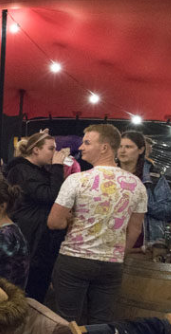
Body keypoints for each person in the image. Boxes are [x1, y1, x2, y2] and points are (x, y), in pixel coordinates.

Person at [46, 124, 146, 323]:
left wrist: (70, 220)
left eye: (87, 142)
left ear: (105, 148)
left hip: (75, 259)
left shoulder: (77, 180)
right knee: (101, 322)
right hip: (112, 264)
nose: (81, 147)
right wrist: (119, 252)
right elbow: (135, 228)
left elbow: (54, 222)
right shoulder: (137, 185)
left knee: (67, 322)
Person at [7, 130, 70, 300]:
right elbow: (52, 195)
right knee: (30, 285)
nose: (54, 153)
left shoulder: (38, 170)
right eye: (51, 148)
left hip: (40, 234)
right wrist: (57, 167)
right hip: (31, 235)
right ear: (36, 150)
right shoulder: (22, 170)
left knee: (38, 283)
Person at [118, 132, 171, 246]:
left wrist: (141, 203)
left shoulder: (154, 177)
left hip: (144, 245)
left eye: (129, 147)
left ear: (141, 150)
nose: (123, 150)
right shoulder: (106, 174)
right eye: (120, 146)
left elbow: (169, 210)